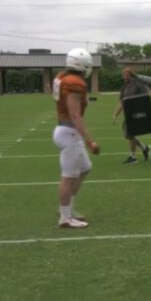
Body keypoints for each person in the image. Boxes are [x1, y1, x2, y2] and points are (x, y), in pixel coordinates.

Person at [52, 48, 100, 228]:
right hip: (69, 132)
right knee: (69, 176)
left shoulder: (61, 77)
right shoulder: (74, 83)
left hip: (66, 130)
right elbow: (75, 115)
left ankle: (67, 208)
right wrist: (90, 140)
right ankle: (65, 217)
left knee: (85, 168)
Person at [113, 68, 151, 164]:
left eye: (127, 75)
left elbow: (146, 97)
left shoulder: (138, 84)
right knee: (128, 135)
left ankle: (133, 157)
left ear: (131, 75)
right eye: (124, 75)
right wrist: (115, 114)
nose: (125, 77)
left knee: (130, 134)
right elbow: (122, 101)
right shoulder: (125, 86)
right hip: (128, 113)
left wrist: (143, 112)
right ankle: (144, 147)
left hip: (136, 113)